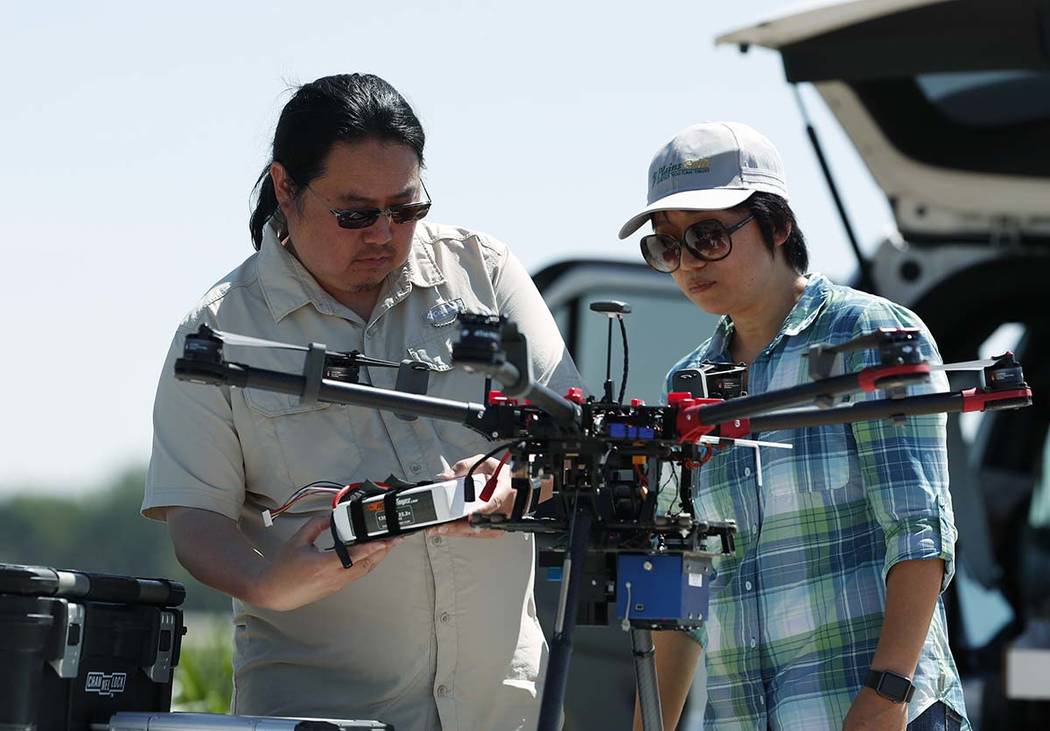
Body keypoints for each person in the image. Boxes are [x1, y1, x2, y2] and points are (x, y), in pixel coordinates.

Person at [143, 73, 580, 731]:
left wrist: (516, 482)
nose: (383, 233)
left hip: (504, 711)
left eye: (405, 210)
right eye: (355, 214)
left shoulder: (484, 271)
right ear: (285, 187)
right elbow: (195, 521)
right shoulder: (218, 332)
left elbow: (573, 437)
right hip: (320, 718)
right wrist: (271, 583)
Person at [618, 122, 969, 731]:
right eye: (667, 246)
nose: (688, 263)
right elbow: (684, 575)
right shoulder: (688, 382)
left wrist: (886, 696)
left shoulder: (875, 337)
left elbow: (920, 532)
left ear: (777, 225)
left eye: (707, 235)